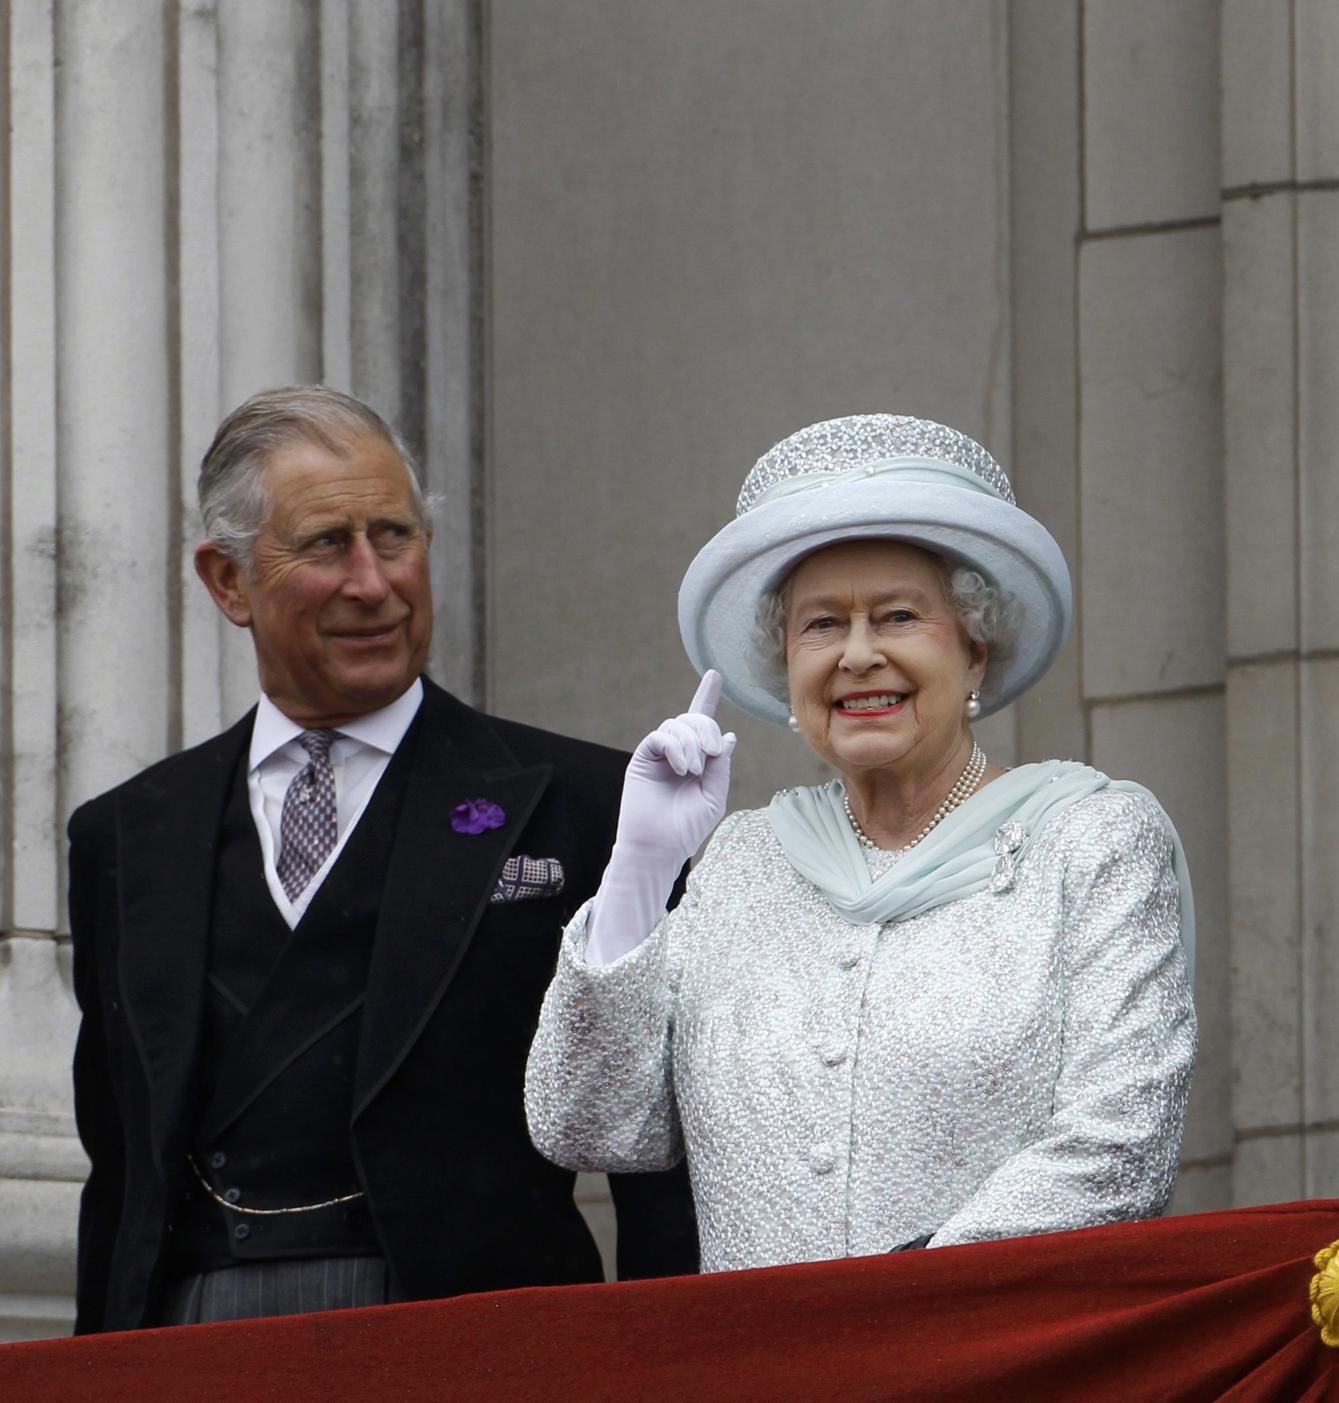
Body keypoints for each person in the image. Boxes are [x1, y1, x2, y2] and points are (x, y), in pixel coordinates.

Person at [67, 386, 697, 1331]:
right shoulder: (127, 834)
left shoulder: (589, 807)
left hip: (478, 1344)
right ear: (227, 580)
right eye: (327, 544)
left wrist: (673, 1367)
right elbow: (121, 1178)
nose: (373, 582)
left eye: (393, 537)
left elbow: (659, 1156)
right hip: (198, 1341)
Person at [525, 413, 1197, 1271]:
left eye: (899, 616)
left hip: (993, 1358)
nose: (857, 655)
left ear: (976, 649)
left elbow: (1121, 1147)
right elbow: (588, 1120)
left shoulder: (1091, 839)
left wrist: (885, 1314)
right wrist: (641, 871)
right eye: (821, 625)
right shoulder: (741, 861)